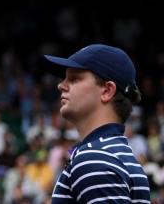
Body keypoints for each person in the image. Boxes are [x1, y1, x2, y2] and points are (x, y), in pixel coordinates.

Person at [44, 44, 150, 203]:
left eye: (74, 78)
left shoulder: (94, 158)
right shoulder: (115, 155)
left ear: (107, 91)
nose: (61, 85)